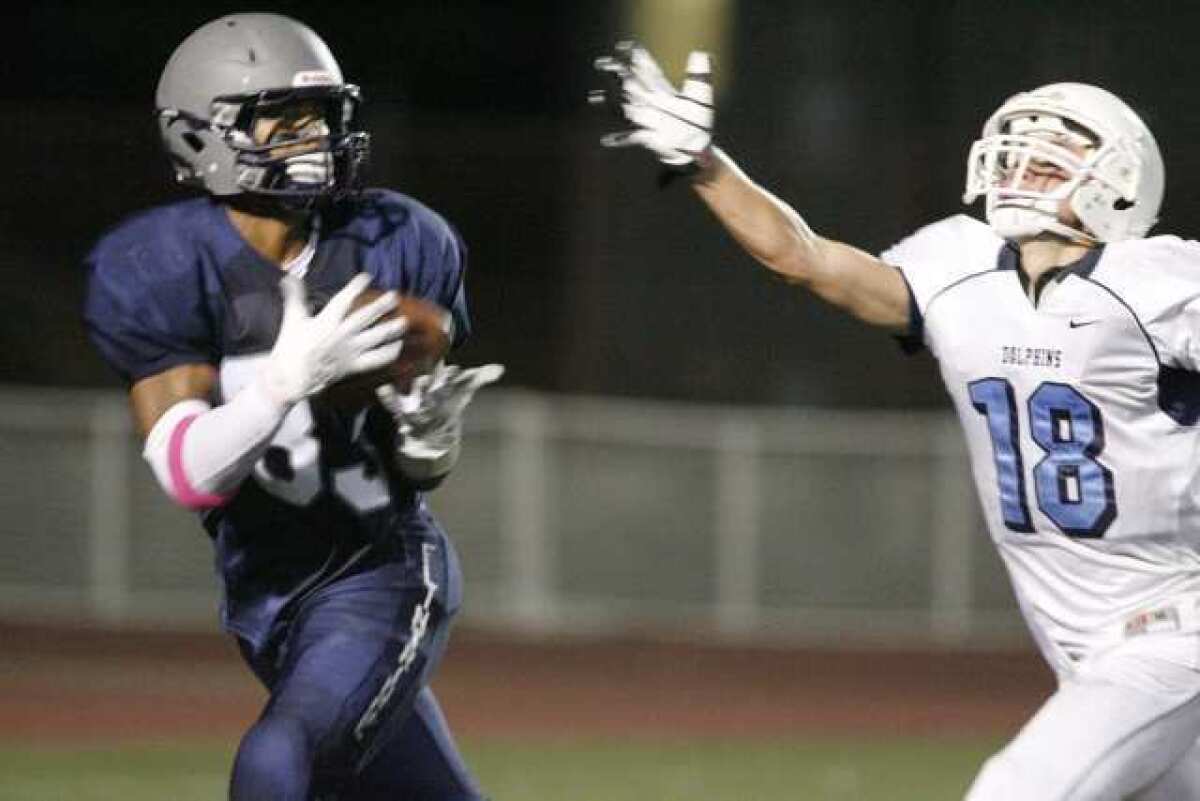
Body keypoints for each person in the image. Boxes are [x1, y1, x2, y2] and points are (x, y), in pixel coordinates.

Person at [594, 41, 1200, 801]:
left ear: (1120, 182)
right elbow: (805, 258)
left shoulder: (1164, 280)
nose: (1028, 161)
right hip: (1077, 642)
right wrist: (706, 164)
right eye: (1022, 145)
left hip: (1171, 625)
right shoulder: (959, 263)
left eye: (1057, 150)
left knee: (1018, 790)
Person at [83, 13, 498, 801]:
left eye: (320, 118)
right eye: (282, 118)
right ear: (199, 135)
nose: (311, 139)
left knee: (278, 762)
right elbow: (187, 474)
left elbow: (414, 465)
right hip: (266, 592)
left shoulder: (398, 237)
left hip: (379, 568)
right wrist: (284, 380)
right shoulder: (159, 264)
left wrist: (429, 437)